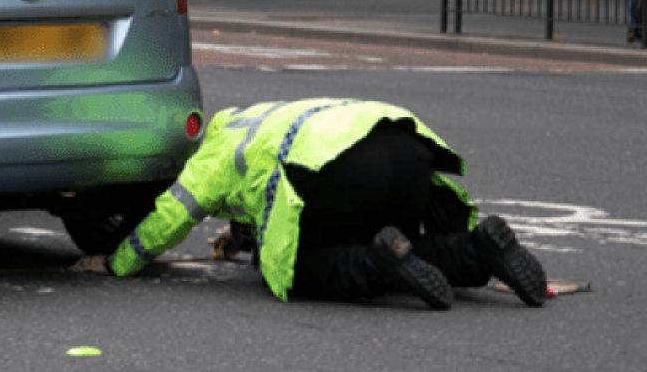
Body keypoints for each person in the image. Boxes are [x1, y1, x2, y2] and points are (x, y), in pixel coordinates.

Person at [71, 98, 548, 310]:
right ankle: (478, 249)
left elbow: (172, 216)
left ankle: (375, 265)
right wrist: (241, 231)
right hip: (404, 144)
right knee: (407, 242)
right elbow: (263, 185)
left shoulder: (214, 150)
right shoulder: (262, 118)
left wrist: (118, 262)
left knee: (295, 266)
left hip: (337, 168)